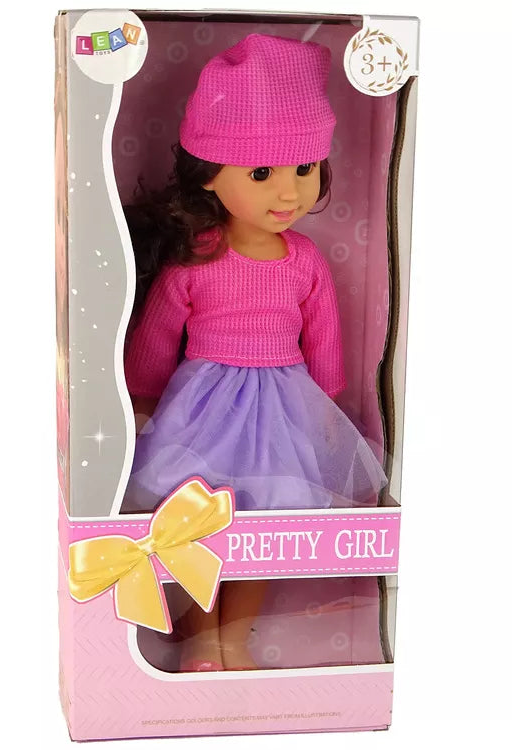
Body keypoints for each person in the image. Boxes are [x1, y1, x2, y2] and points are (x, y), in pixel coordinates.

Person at [122, 34, 386, 671]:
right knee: (199, 524)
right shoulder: (197, 259)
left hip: (284, 409)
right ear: (210, 175)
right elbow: (158, 334)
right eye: (262, 174)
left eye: (304, 169)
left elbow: (322, 337)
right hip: (204, 411)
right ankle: (200, 637)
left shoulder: (304, 261)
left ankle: (233, 639)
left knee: (265, 531)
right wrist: (143, 396)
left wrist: (325, 408)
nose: (288, 193)